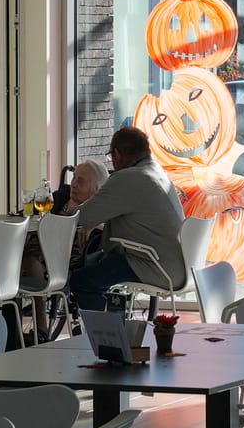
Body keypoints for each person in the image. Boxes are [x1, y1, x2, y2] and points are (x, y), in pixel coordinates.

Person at [67, 127, 186, 311]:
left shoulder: (129, 177)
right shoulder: (157, 172)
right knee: (105, 265)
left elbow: (82, 216)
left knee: (81, 281)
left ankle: (108, 329)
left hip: (155, 266)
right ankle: (115, 320)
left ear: (117, 154)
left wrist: (71, 207)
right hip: (177, 265)